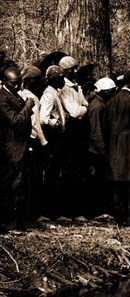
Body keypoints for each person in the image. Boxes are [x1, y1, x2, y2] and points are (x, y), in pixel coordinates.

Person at [0, 67, 34, 232]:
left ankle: (20, 222)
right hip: (11, 148)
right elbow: (15, 121)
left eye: (19, 82)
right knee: (11, 187)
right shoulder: (2, 98)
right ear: (4, 82)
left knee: (20, 186)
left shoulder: (13, 94)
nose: (18, 86)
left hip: (21, 147)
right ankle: (9, 224)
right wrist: (28, 106)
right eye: (14, 83)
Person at [106, 70, 130, 225]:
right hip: (129, 144)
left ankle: (119, 217)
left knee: (117, 181)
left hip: (114, 144)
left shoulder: (111, 101)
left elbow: (107, 125)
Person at [58, 55, 89, 217]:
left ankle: (78, 209)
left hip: (79, 131)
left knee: (79, 170)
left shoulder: (76, 86)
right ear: (64, 71)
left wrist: (82, 108)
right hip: (70, 132)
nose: (75, 71)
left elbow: (84, 104)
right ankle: (69, 210)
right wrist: (83, 109)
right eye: (72, 69)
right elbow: (76, 111)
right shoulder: (63, 87)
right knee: (70, 171)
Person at [19, 65, 48, 227]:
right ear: (31, 81)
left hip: (24, 141)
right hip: (33, 141)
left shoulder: (20, 94)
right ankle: (32, 215)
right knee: (33, 179)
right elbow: (35, 124)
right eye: (39, 80)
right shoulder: (33, 98)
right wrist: (44, 143)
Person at [39, 65, 67, 219]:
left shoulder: (54, 92)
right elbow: (43, 117)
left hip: (57, 138)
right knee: (52, 174)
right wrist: (55, 123)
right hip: (53, 137)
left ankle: (53, 210)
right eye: (61, 77)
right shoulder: (49, 95)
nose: (63, 80)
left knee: (55, 174)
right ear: (55, 79)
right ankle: (50, 211)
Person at [86, 77, 116, 217]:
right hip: (96, 150)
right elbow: (96, 132)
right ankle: (96, 211)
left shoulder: (102, 104)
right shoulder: (97, 106)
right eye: (110, 91)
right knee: (98, 181)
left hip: (99, 148)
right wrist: (103, 150)